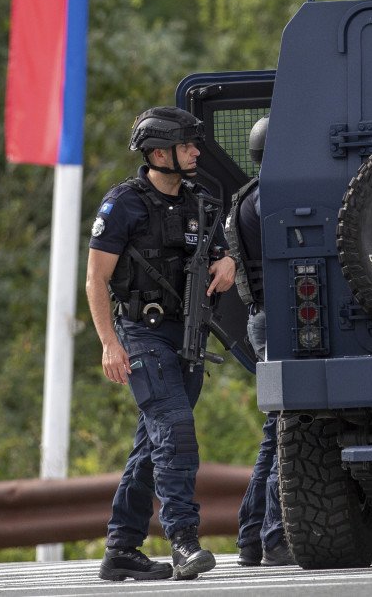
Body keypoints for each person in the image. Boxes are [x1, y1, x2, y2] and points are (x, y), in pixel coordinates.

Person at [87, 106, 236, 581]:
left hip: (187, 333)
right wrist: (110, 344)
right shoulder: (123, 204)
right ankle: (184, 543)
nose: (196, 151)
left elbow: (219, 248)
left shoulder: (202, 199)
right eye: (187, 145)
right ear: (158, 153)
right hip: (141, 333)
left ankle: (121, 549)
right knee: (175, 431)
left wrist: (228, 261)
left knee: (152, 446)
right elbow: (95, 279)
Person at [230, 117, 293, 566]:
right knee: (291, 425)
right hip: (279, 320)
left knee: (275, 433)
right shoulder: (271, 195)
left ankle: (253, 536)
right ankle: (275, 536)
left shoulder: (248, 194)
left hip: (264, 318)